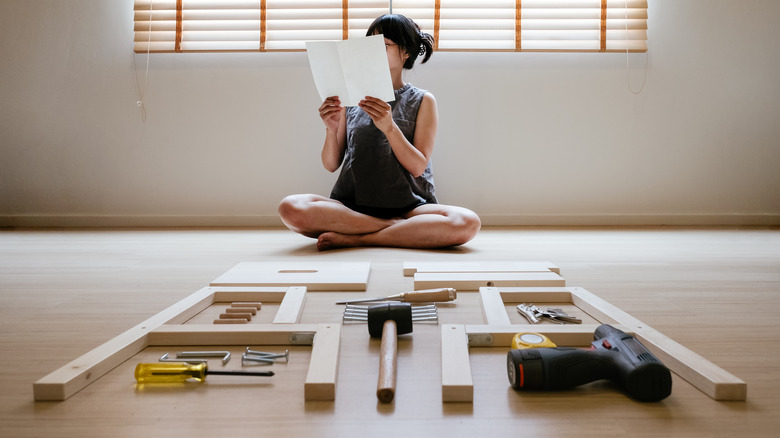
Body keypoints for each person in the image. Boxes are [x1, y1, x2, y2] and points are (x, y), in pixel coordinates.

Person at [278, 14, 481, 251]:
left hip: (410, 207)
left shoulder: (423, 100)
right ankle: (391, 228)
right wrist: (330, 129)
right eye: (370, 45)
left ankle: (360, 238)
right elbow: (331, 163)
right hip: (352, 206)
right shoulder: (350, 98)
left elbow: (417, 167)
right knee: (290, 207)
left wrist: (390, 127)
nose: (373, 52)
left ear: (406, 52)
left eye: (383, 46)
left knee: (467, 222)